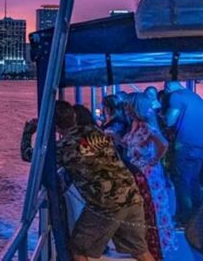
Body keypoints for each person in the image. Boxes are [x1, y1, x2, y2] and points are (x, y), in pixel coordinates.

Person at [55, 100, 154, 261]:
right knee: (140, 251)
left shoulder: (62, 148)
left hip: (106, 204)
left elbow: (30, 156)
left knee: (78, 248)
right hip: (131, 194)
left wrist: (28, 133)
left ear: (55, 127)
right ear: (74, 117)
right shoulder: (95, 131)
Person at [122, 93, 177, 258]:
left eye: (128, 107)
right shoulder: (136, 125)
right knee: (145, 211)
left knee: (153, 211)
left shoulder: (146, 126)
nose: (126, 110)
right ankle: (149, 248)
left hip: (148, 176)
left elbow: (163, 144)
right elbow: (128, 144)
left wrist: (154, 160)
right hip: (139, 173)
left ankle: (156, 248)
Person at [163, 81, 203, 225]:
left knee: (181, 181)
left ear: (168, 87)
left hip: (184, 144)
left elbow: (169, 120)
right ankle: (197, 219)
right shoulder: (196, 97)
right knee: (194, 181)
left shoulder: (176, 96)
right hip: (200, 145)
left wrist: (162, 116)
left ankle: (185, 219)